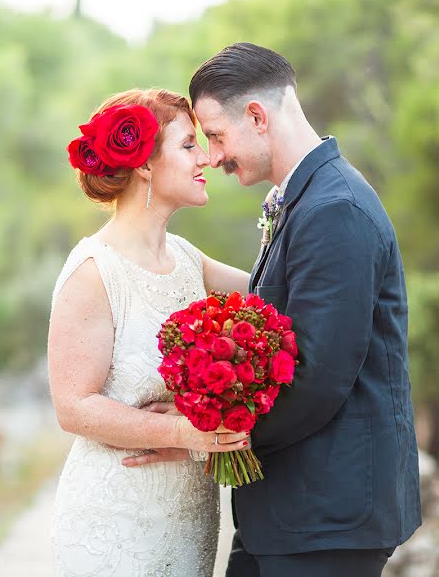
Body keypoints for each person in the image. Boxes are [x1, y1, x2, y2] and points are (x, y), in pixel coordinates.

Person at [124, 42, 422, 577]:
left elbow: (316, 377)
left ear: (257, 116)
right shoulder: (306, 198)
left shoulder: (335, 210)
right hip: (294, 511)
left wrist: (205, 438)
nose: (212, 157)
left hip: (328, 515)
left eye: (214, 135)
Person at [48, 88, 252, 576]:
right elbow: (73, 406)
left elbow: (273, 295)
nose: (205, 158)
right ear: (143, 165)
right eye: (187, 145)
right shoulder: (94, 270)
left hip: (187, 521)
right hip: (115, 522)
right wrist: (183, 431)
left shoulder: (185, 258)